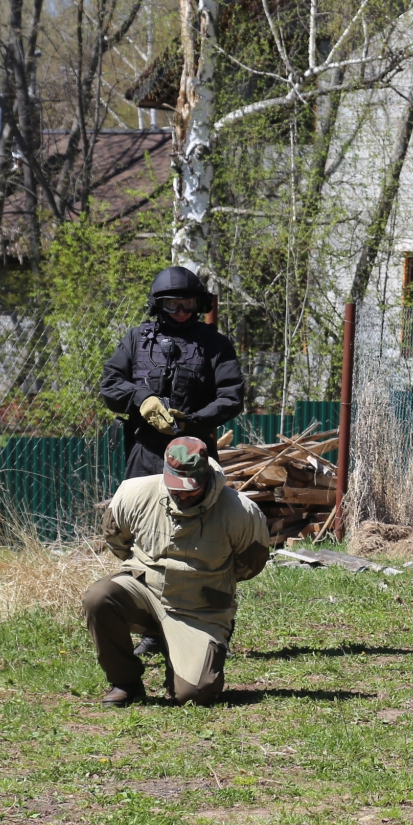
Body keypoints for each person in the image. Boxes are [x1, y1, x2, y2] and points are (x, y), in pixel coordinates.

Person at [82, 437, 271, 705]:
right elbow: (116, 539)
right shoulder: (133, 493)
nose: (181, 495)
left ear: (205, 478)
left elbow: (251, 563)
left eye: (189, 490)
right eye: (174, 489)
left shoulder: (241, 511)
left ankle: (197, 647)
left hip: (199, 609)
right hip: (146, 592)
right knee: (99, 597)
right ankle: (125, 682)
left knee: (194, 695)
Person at [100, 267, 245, 481]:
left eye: (188, 304)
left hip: (196, 452)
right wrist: (142, 399)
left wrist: (191, 422)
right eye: (172, 304)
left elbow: (232, 397)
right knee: (138, 511)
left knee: (199, 512)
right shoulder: (136, 339)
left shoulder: (215, 344)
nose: (181, 311)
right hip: (144, 452)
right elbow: (110, 385)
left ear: (199, 304)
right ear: (158, 304)